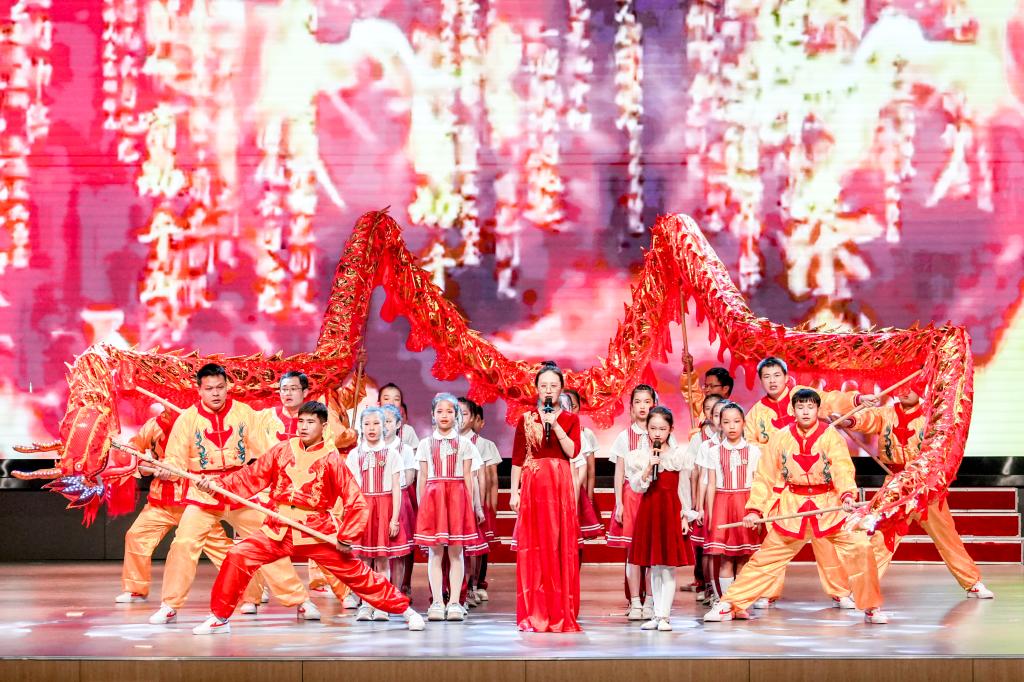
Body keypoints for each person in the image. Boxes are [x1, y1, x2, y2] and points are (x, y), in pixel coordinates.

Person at [190, 401, 425, 634]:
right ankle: (219, 618)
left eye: (310, 422)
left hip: (316, 530)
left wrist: (347, 535)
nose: (303, 426)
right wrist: (215, 485)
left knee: (357, 574)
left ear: (324, 427)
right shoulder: (281, 450)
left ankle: (405, 610)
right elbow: (250, 477)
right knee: (238, 555)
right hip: (278, 528)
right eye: (301, 421)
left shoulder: (332, 459)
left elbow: (356, 501)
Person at [148, 364, 316, 625]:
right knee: (183, 543)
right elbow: (175, 461)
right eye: (209, 389)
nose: (215, 393)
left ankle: (299, 600)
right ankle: (170, 604)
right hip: (203, 493)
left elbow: (266, 453)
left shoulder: (243, 413)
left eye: (220, 387)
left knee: (268, 543)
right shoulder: (187, 419)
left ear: (228, 387)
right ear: (199, 390)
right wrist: (165, 470)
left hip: (240, 490)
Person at [704, 389, 888, 624]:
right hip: (792, 510)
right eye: (800, 407)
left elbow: (842, 469)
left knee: (861, 547)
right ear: (793, 410)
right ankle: (729, 604)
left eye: (810, 407)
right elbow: (765, 476)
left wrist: (847, 496)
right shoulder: (780, 438)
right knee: (765, 559)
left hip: (829, 508)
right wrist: (754, 509)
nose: (805, 412)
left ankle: (871, 606)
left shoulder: (831, 437)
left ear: (817, 409)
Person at [837, 383, 994, 599]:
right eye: (901, 388)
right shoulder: (886, 414)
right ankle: (861, 588)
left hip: (925, 486)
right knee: (882, 538)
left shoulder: (932, 416)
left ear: (920, 390)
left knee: (947, 536)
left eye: (910, 388)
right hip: (896, 486)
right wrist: (847, 420)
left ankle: (972, 581)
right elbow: (866, 419)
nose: (904, 392)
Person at [744, 356, 877, 610]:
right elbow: (751, 447)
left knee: (825, 540)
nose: (772, 381)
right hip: (779, 489)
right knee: (775, 542)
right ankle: (767, 592)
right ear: (761, 381)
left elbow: (830, 399)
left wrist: (856, 400)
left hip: (816, 487)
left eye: (777, 375)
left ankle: (839, 591)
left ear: (786, 377)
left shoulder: (802, 398)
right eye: (767, 377)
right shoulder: (756, 414)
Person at [255, 370, 354, 607]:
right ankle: (258, 592)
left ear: (305, 391)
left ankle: (344, 592)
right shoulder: (266, 418)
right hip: (276, 492)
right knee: (263, 543)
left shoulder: (319, 418)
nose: (288, 394)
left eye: (293, 389)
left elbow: (334, 448)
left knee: (321, 543)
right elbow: (258, 451)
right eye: (284, 389)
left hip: (308, 494)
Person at [115, 410, 236, 604]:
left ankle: (248, 588)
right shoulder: (154, 425)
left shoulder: (199, 423)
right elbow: (135, 449)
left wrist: (176, 468)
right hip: (160, 500)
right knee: (136, 536)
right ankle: (136, 589)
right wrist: (147, 466)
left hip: (193, 501)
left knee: (219, 547)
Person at [509, 361, 582, 632]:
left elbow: (573, 451)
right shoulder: (526, 419)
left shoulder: (571, 419)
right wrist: (514, 492)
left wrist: (556, 425)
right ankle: (535, 610)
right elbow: (517, 459)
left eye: (553, 385)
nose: (548, 390)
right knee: (535, 546)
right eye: (543, 386)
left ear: (561, 388)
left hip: (559, 484)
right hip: (534, 484)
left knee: (558, 545)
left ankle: (560, 610)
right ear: (537, 389)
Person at [414, 393, 484, 622]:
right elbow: (423, 477)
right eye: (440, 411)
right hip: (434, 500)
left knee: (456, 552)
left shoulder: (465, 444)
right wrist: (422, 507)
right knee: (435, 552)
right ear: (433, 415)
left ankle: (454, 602)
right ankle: (436, 601)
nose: (444, 415)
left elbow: (469, 477)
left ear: (456, 416)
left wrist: (472, 507)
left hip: (457, 499)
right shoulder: (425, 444)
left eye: (450, 411)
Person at [626, 407, 695, 631]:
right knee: (654, 566)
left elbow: (684, 489)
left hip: (670, 511)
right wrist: (648, 468)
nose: (657, 433)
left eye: (662, 429)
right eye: (653, 428)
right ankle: (656, 614)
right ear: (647, 429)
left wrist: (685, 516)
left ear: (671, 429)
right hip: (650, 511)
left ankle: (665, 616)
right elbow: (637, 486)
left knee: (668, 567)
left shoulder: (678, 456)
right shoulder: (640, 456)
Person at [347, 407, 412, 621]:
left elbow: (396, 489)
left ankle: (382, 605)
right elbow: (351, 488)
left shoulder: (392, 454)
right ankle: (367, 604)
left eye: (376, 423)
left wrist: (394, 519)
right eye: (367, 424)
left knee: (383, 560)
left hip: (384, 508)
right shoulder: (355, 454)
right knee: (365, 560)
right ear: (361, 427)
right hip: (364, 508)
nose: (371, 428)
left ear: (384, 426)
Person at [607, 384, 662, 620]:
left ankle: (651, 601)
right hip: (631, 496)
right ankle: (635, 601)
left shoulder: (659, 433)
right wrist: (619, 503)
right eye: (638, 402)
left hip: (653, 494)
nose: (642, 406)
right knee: (633, 552)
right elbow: (619, 472)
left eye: (647, 402)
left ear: (654, 404)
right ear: (631, 407)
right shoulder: (624, 436)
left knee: (653, 552)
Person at [699, 402, 762, 602]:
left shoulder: (753, 451)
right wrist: (710, 514)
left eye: (736, 421)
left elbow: (758, 483)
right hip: (722, 505)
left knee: (744, 556)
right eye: (726, 422)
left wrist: (757, 512)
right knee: (725, 557)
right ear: (720, 424)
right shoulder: (714, 451)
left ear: (744, 423)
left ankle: (740, 602)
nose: (732, 426)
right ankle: (725, 602)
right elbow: (711, 484)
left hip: (745, 503)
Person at [380, 383, 420, 597]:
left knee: (403, 539)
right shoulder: (370, 428)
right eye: (386, 398)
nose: (391, 402)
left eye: (396, 399)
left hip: (403, 492)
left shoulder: (408, 433)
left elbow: (411, 469)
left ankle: (403, 584)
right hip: (378, 494)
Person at [684, 394, 724, 597]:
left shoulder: (738, 440)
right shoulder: (702, 441)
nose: (715, 416)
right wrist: (696, 503)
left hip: (727, 498)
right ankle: (708, 586)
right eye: (710, 410)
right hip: (708, 499)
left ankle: (727, 591)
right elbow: (696, 474)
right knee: (707, 547)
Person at [564, 389, 604, 543]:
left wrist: (589, 498)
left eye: (573, 406)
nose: (569, 410)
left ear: (579, 407)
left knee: (577, 534)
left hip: (579, 488)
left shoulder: (584, 434)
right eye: (565, 405)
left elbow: (590, 470)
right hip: (562, 486)